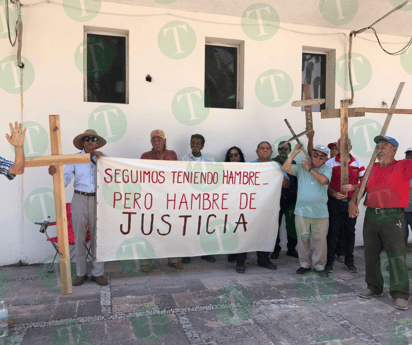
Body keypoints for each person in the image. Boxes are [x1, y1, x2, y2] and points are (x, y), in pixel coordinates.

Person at [349, 135, 412, 310]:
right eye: (378, 146)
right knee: (371, 253)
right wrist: (353, 202)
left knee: (396, 255)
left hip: (392, 216)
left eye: (384, 146)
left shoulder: (404, 166)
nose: (380, 149)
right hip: (371, 215)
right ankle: (374, 287)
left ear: (394, 150)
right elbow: (362, 189)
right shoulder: (371, 168)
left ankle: (400, 293)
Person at [49, 129, 108, 286]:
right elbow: (65, 178)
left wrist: (102, 161)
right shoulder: (74, 158)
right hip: (79, 198)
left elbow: (113, 177)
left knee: (98, 238)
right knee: (79, 237)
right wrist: (56, 174)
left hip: (98, 199)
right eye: (86, 138)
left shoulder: (104, 157)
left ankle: (98, 273)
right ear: (82, 142)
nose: (90, 141)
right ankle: (81, 273)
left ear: (97, 142)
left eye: (93, 138)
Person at [282, 143, 332, 278]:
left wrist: (310, 169)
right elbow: (285, 168)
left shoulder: (327, 169)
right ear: (311, 155)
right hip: (302, 212)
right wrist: (293, 154)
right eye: (315, 155)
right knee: (303, 239)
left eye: (321, 157)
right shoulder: (301, 167)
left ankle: (319, 266)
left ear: (326, 159)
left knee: (320, 240)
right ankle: (304, 264)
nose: (317, 159)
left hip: (320, 212)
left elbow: (323, 181)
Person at [234, 141, 285, 273]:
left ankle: (263, 259)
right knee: (245, 233)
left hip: (268, 207)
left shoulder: (276, 165)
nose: (265, 150)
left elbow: (286, 185)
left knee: (266, 233)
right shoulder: (250, 166)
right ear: (257, 151)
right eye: (262, 148)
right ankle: (240, 261)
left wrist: (280, 172)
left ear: (271, 152)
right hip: (250, 207)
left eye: (268, 148)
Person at [141, 129, 183, 269]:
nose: (157, 142)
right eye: (154, 139)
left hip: (168, 197)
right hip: (151, 198)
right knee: (149, 228)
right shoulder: (145, 156)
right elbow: (141, 176)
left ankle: (172, 259)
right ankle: (147, 261)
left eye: (159, 139)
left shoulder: (172, 155)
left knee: (169, 227)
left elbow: (176, 175)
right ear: (151, 142)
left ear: (164, 141)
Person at [324, 138, 365, 274]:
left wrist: (354, 188)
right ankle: (329, 262)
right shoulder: (330, 163)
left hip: (351, 203)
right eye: (341, 145)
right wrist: (334, 193)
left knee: (350, 233)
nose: (344, 148)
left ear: (351, 147)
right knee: (332, 232)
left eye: (346, 145)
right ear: (338, 147)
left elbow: (365, 183)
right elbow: (325, 183)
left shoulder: (358, 163)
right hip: (335, 202)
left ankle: (349, 261)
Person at [179, 134, 215, 264]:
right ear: (190, 144)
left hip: (205, 198)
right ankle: (187, 253)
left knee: (205, 225)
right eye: (193, 143)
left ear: (203, 146)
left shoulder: (210, 161)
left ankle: (205, 252)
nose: (195, 146)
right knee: (188, 225)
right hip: (188, 197)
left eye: (198, 143)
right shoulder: (182, 160)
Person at [270, 141, 298, 260]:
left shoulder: (294, 162)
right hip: (276, 199)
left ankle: (291, 249)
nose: (283, 151)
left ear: (289, 151)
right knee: (275, 226)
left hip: (291, 199)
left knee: (292, 226)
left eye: (285, 149)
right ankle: (275, 249)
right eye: (280, 149)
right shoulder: (272, 162)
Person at [224, 146, 246, 265]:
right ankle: (231, 253)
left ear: (240, 155)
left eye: (235, 154)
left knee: (241, 231)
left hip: (243, 205)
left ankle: (240, 260)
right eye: (230, 155)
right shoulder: (223, 169)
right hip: (229, 204)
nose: (233, 157)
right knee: (230, 229)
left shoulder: (249, 169)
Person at [404, 147, 412, 247]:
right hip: (403, 209)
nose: (409, 157)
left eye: (411, 155)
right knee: (402, 234)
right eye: (408, 154)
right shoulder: (401, 170)